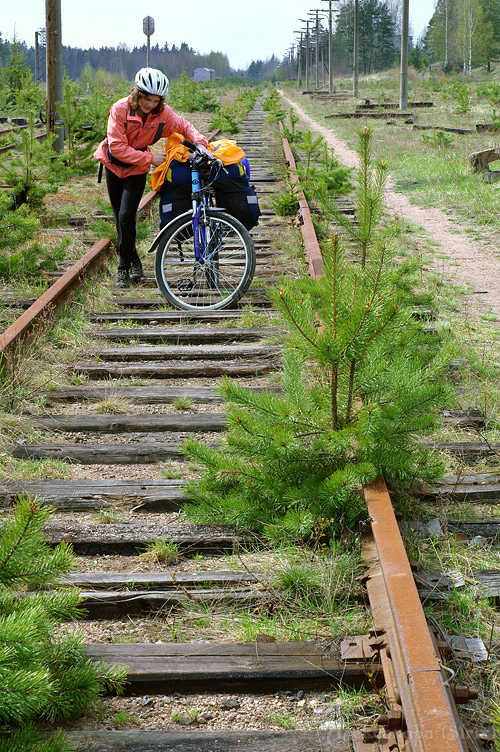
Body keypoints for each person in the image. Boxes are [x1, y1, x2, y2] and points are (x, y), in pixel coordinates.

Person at [94, 67, 210, 288]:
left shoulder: (162, 114)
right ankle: (134, 259)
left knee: (127, 215)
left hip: (137, 169)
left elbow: (184, 126)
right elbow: (117, 148)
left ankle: (122, 268)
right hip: (113, 165)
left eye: (155, 100)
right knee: (120, 218)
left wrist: (201, 143)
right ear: (138, 94)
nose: (150, 104)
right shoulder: (119, 109)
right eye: (146, 99)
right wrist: (151, 159)